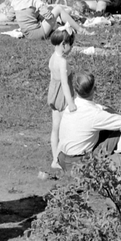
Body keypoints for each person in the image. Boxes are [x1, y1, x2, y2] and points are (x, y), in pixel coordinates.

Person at [56, 72, 121, 165]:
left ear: (75, 90)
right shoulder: (95, 114)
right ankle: (120, 161)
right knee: (118, 131)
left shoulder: (70, 107)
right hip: (79, 162)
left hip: (63, 158)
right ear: (94, 89)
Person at [47, 30, 77, 170]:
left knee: (55, 128)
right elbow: (65, 84)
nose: (71, 47)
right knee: (63, 129)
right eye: (70, 44)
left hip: (54, 93)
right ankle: (58, 157)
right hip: (62, 96)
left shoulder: (53, 57)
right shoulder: (62, 61)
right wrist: (70, 103)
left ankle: (55, 158)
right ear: (64, 44)